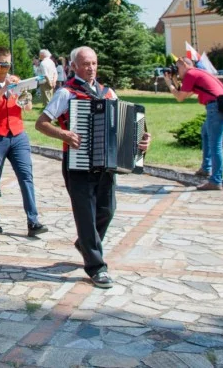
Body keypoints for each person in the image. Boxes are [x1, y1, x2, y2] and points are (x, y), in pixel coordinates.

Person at [35, 46, 151, 288]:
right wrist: (64, 134)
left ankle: (85, 244)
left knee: (107, 210)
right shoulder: (67, 93)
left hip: (106, 165)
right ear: (74, 66)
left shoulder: (109, 94)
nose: (91, 68)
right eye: (86, 64)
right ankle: (96, 267)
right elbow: (41, 123)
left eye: (94, 63)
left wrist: (141, 142)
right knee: (85, 216)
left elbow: (128, 128)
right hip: (77, 164)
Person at [0, 47, 48, 237]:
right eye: (2, 64)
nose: (5, 67)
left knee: (26, 176)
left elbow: (27, 108)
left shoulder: (17, 81)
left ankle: (33, 220)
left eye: (8, 63)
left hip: (18, 134)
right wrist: (5, 89)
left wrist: (23, 94)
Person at [165, 57, 223, 191]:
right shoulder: (198, 73)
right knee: (205, 132)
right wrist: (175, 80)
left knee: (215, 145)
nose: (177, 71)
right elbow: (185, 93)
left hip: (216, 108)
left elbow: (180, 97)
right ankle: (206, 168)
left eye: (177, 67)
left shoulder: (191, 74)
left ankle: (216, 181)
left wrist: (168, 82)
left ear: (184, 64)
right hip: (220, 106)